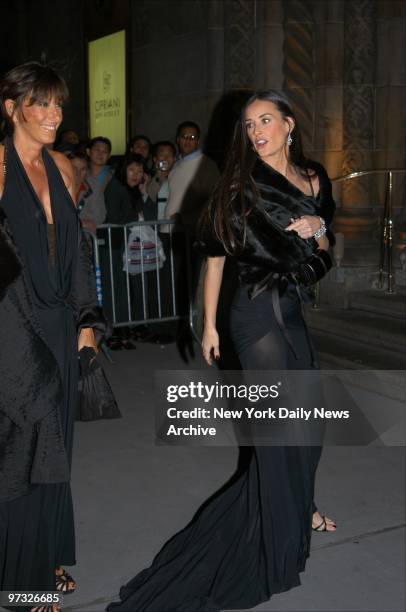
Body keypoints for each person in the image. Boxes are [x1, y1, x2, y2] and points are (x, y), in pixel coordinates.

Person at [107, 89, 336, 612]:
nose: (256, 131)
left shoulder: (315, 179)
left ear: (289, 125)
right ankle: (278, 540)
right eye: (248, 124)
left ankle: (300, 506)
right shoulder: (240, 185)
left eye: (265, 121)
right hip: (254, 315)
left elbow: (327, 250)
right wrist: (208, 325)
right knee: (281, 431)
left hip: (293, 311)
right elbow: (214, 259)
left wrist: (319, 229)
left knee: (311, 423)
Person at [0, 61, 105, 612]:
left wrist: (87, 323)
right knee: (24, 447)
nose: (54, 115)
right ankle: (24, 580)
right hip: (11, 329)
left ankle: (48, 555)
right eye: (41, 103)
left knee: (57, 447)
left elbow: (78, 254)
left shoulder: (63, 166)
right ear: (11, 107)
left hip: (62, 328)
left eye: (59, 105)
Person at [69, 150, 106, 234]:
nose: (77, 173)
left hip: (85, 238)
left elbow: (99, 216)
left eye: (83, 169)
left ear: (87, 172)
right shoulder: (56, 187)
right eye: (74, 168)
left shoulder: (94, 186)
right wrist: (81, 223)